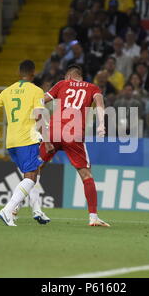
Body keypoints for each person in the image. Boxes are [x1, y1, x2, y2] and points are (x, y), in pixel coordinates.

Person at [39, 64, 110, 227]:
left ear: (68, 76)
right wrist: (101, 125)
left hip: (54, 132)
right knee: (86, 175)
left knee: (34, 169)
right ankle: (93, 217)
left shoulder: (61, 84)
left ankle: (14, 208)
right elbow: (100, 104)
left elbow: (41, 100)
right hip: (74, 135)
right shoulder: (92, 87)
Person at [0, 60, 50, 227]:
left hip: (11, 141)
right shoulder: (37, 91)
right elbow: (39, 115)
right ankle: (8, 210)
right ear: (33, 73)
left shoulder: (7, 91)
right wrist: (47, 137)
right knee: (30, 178)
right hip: (27, 138)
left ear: (18, 72)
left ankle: (36, 210)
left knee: (32, 174)